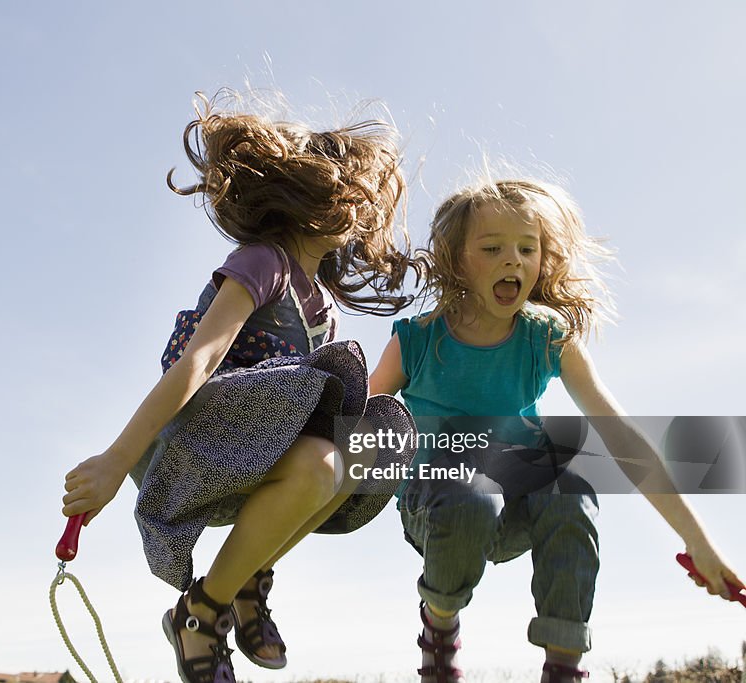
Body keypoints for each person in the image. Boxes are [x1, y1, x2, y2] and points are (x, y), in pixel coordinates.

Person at [62, 91, 419, 683]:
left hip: (270, 457)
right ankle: (201, 614)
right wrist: (113, 461)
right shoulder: (263, 263)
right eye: (356, 197)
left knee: (370, 442)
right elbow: (197, 362)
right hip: (211, 446)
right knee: (331, 398)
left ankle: (248, 576)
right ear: (316, 197)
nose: (365, 215)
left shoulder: (323, 303)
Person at [368, 178, 744, 683]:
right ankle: (439, 626)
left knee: (571, 479)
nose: (513, 261)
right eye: (493, 248)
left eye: (528, 249)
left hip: (520, 505)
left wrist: (698, 540)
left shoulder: (547, 337)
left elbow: (622, 438)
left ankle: (563, 665)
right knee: (470, 493)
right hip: (440, 509)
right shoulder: (416, 340)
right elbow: (355, 431)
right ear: (459, 260)